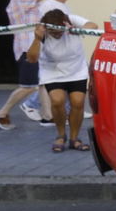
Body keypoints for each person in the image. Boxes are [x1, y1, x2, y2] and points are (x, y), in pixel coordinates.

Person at [0, 0, 75, 131]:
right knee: (28, 86)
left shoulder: (27, 1)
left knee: (42, 83)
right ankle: (1, 113)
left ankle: (48, 117)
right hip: (27, 50)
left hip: (36, 48)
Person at [27, 10, 91, 152]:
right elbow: (31, 59)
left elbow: (92, 26)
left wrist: (79, 29)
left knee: (78, 102)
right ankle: (61, 135)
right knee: (57, 101)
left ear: (63, 24)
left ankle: (75, 138)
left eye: (58, 32)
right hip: (52, 70)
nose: (56, 35)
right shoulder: (42, 31)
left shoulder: (71, 19)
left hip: (76, 69)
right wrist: (37, 39)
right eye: (53, 32)